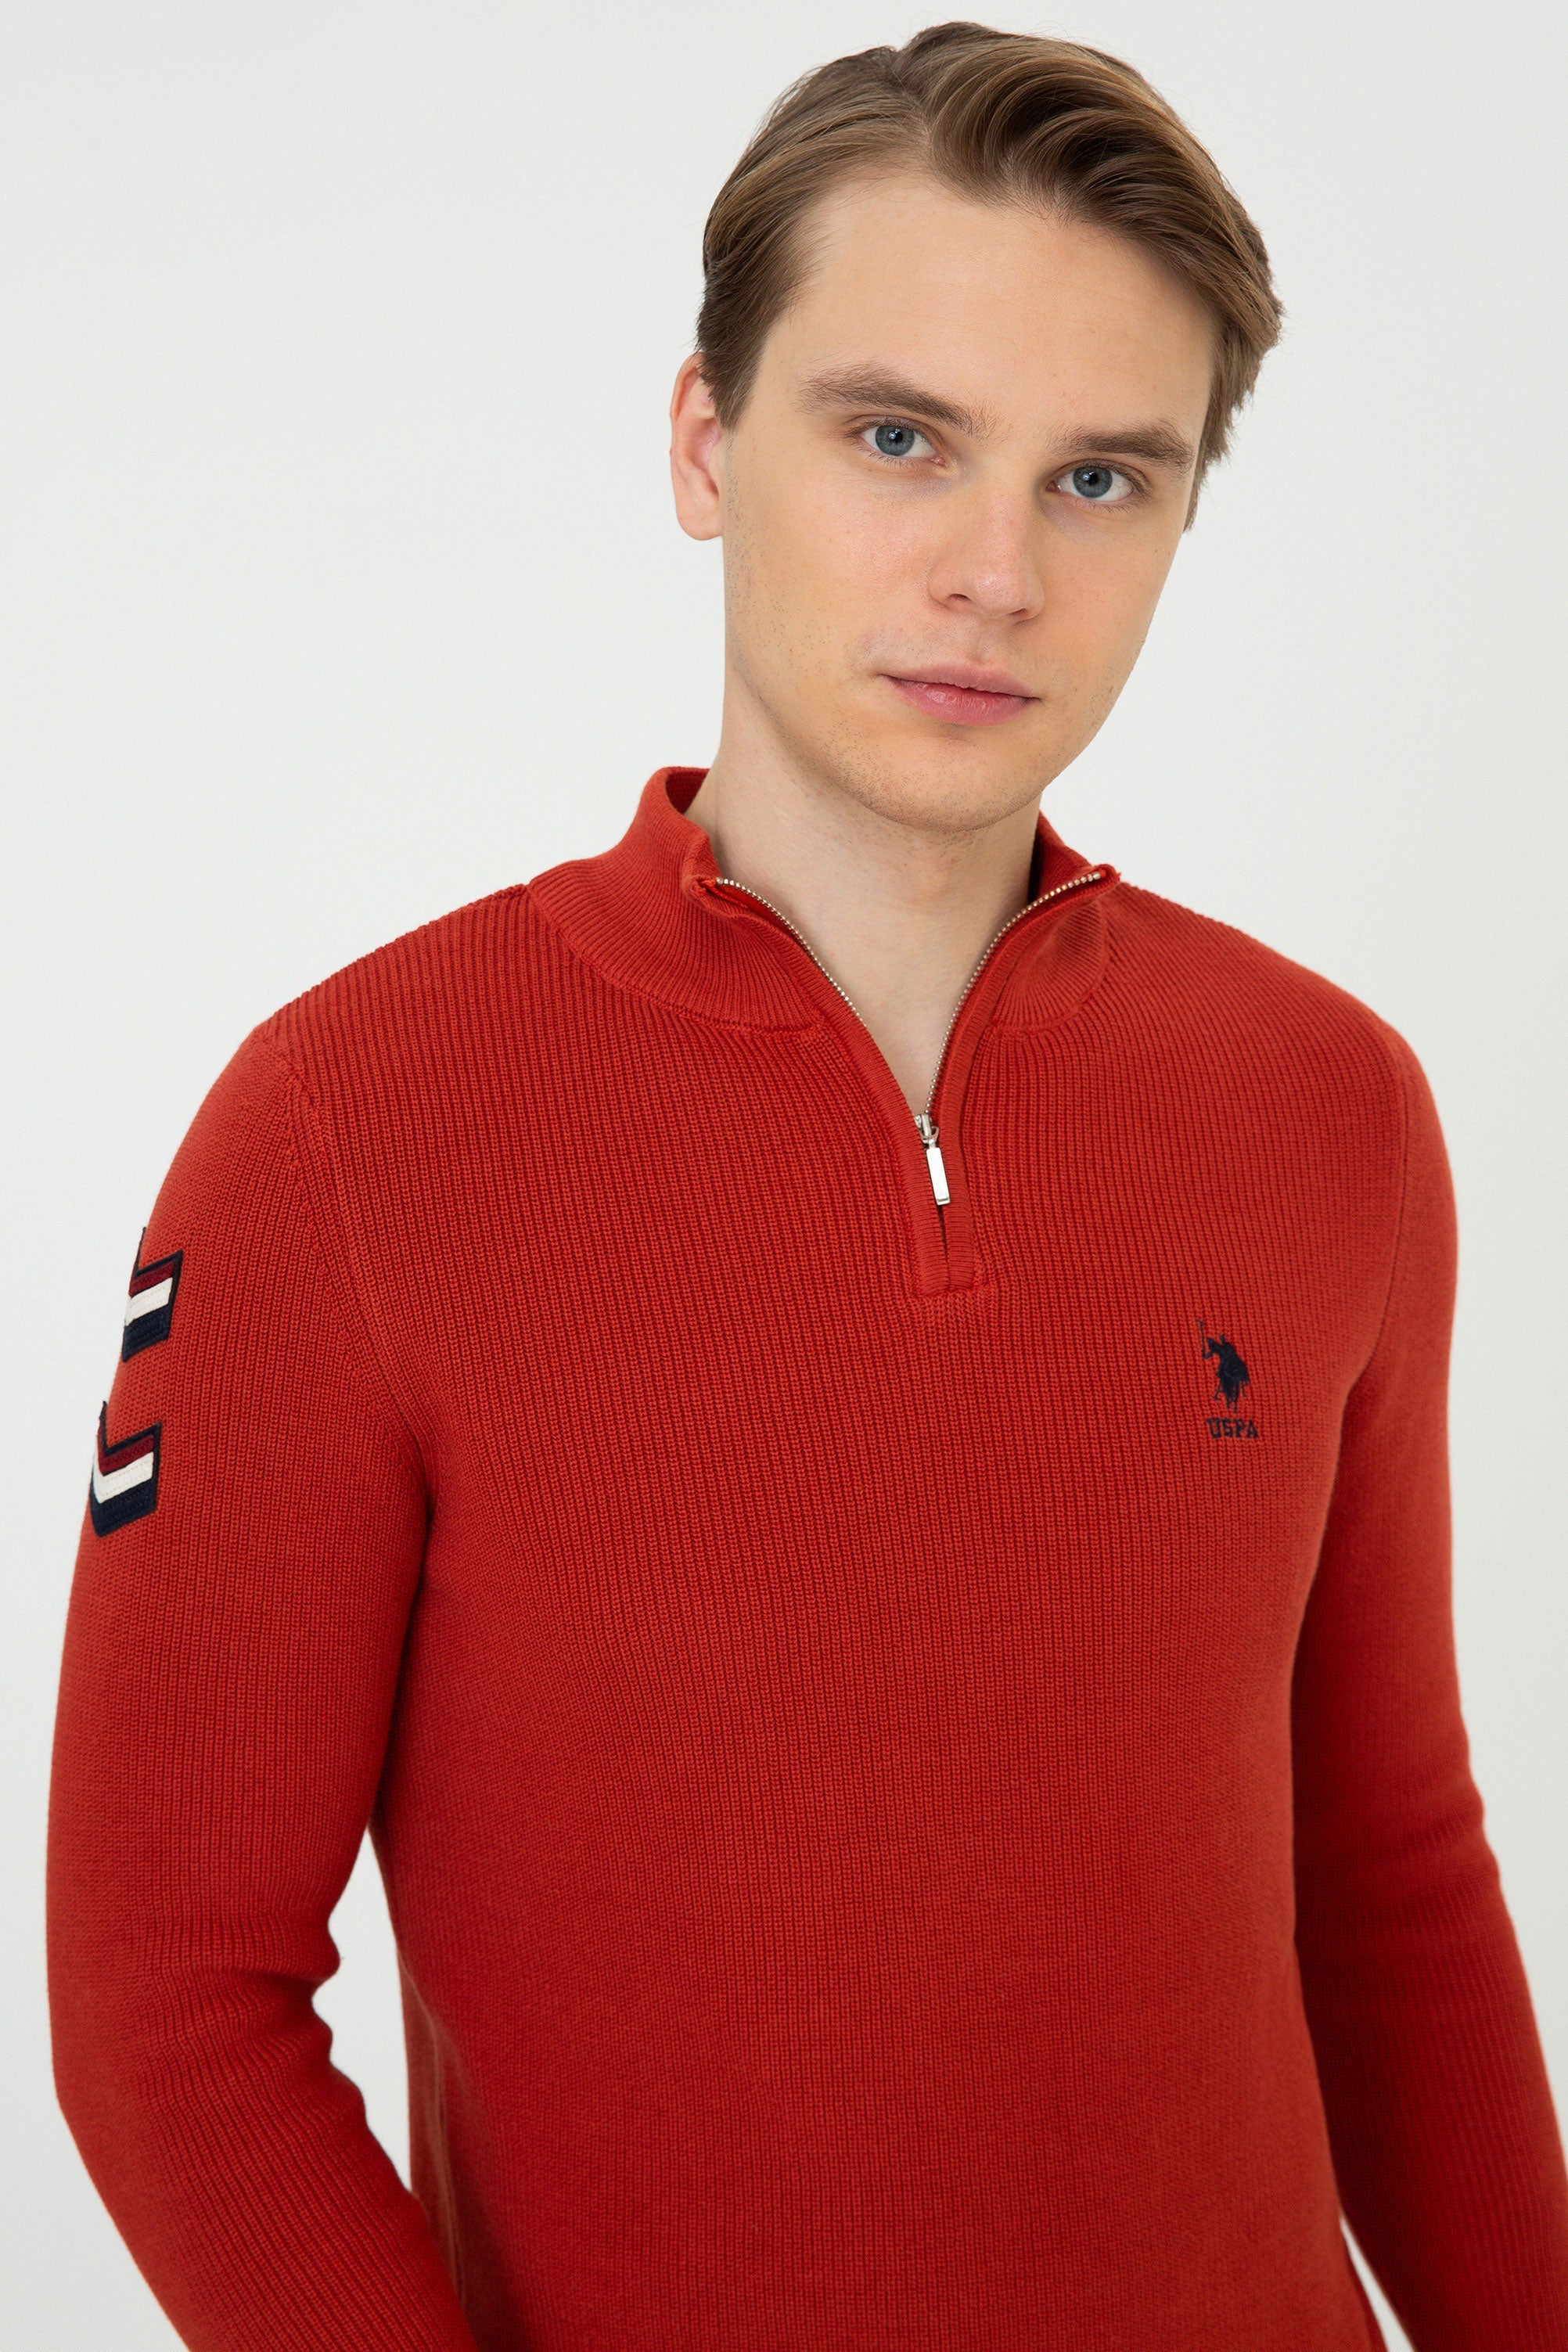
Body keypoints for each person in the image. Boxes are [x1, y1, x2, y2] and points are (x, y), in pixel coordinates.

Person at [46, 22, 1568, 2351]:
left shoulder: (1325, 1107)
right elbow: (167, 1996)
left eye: (1100, 478)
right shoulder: (348, 1129)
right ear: (703, 442)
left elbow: (1385, 1885)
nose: (995, 573)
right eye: (896, 438)